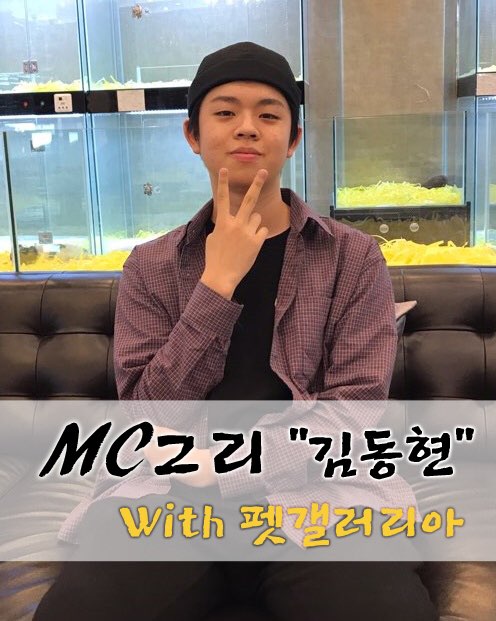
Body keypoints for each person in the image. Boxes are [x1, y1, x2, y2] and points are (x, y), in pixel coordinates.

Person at [34, 42, 438, 620]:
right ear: (193, 135)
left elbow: (353, 412)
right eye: (225, 112)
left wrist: (227, 468)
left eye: (269, 114)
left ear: (293, 138)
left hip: (320, 495)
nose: (247, 127)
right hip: (170, 497)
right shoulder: (151, 265)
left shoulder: (352, 257)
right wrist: (217, 283)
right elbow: (145, 417)